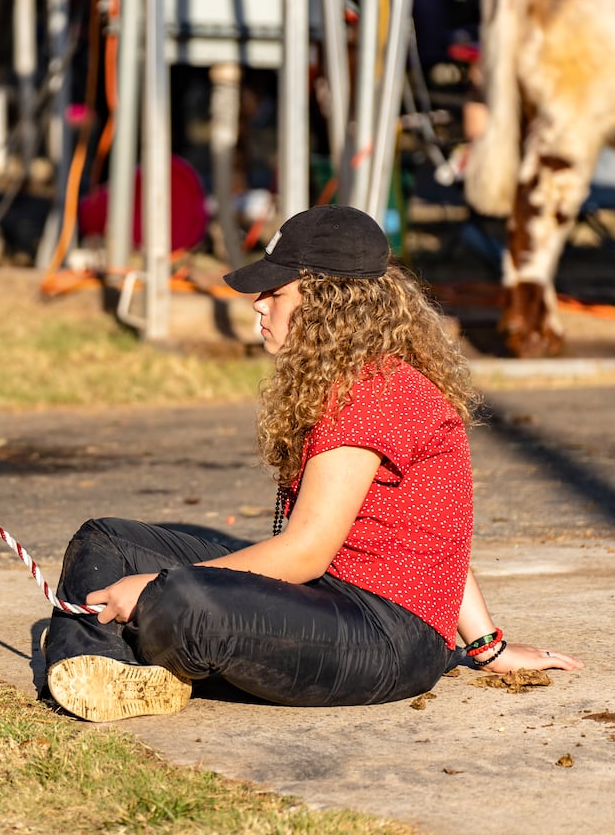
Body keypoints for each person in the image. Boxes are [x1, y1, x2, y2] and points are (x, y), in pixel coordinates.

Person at [41, 205, 582, 723]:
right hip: (331, 599)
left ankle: (124, 652)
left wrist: (154, 586)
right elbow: (441, 535)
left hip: (387, 638)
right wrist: (488, 645)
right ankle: (101, 670)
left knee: (183, 598)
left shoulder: (372, 392)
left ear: (328, 302)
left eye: (274, 292)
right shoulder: (353, 380)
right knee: (104, 541)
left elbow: (303, 553)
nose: (257, 304)